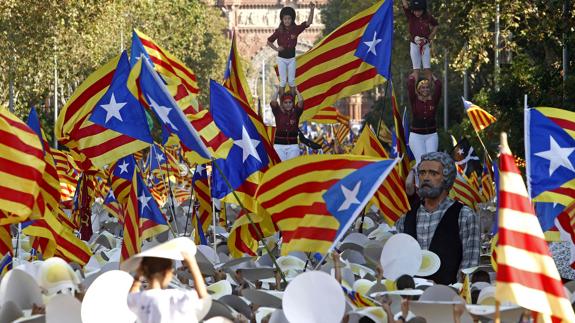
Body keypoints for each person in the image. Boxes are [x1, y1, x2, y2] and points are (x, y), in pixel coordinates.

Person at [396, 152, 480, 285]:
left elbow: (469, 267)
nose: (426, 178)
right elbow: (398, 263)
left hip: (448, 299)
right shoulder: (406, 218)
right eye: (422, 173)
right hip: (410, 298)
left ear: (446, 179)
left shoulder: (464, 216)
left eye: (433, 173)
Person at [128, 251, 210, 323]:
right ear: (166, 273)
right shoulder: (174, 296)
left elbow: (133, 292)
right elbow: (202, 296)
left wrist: (138, 275)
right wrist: (192, 264)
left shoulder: (139, 299)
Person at [267, 2, 315, 97]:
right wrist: (276, 49)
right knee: (283, 81)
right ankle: (282, 101)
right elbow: (269, 41)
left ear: (292, 19)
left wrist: (312, 10)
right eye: (285, 19)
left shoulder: (296, 29)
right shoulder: (279, 31)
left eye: (289, 18)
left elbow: (308, 23)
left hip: (292, 59)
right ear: (282, 19)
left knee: (292, 81)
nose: (287, 21)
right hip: (282, 59)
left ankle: (292, 100)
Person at [407, 72, 442, 165]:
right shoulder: (414, 100)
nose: (425, 89)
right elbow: (410, 87)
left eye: (427, 87)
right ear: (419, 89)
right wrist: (414, 75)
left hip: (432, 135)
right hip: (416, 136)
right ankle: (417, 178)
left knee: (431, 161)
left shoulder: (433, 100)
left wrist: (431, 75)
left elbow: (439, 86)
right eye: (423, 87)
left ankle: (428, 180)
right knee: (421, 162)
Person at [401, 0, 438, 82]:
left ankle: (429, 91)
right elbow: (405, 5)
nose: (417, 13)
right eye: (415, 11)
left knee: (427, 69)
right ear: (412, 10)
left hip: (425, 45)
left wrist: (430, 36)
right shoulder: (410, 15)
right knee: (416, 70)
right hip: (414, 45)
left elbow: (435, 25)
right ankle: (416, 92)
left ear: (423, 10)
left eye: (419, 11)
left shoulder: (428, 17)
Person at [270, 86, 304, 161]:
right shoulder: (278, 112)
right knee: (280, 168)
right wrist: (277, 91)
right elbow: (273, 102)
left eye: (290, 102)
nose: (288, 104)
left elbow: (301, 102)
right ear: (282, 104)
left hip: (293, 146)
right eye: (285, 102)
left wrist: (296, 91)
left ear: (293, 103)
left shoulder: (296, 113)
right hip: (279, 146)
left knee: (291, 169)